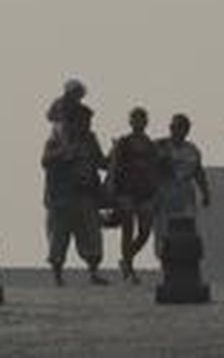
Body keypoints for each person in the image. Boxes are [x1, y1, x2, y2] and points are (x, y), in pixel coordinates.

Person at [42, 102, 109, 286]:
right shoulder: (57, 139)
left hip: (85, 195)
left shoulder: (89, 140)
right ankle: (57, 275)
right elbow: (46, 160)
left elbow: (101, 162)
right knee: (58, 237)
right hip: (61, 197)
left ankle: (93, 273)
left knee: (92, 236)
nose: (87, 125)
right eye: (84, 121)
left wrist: (115, 155)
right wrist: (65, 153)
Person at [107, 106, 161, 282]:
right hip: (126, 192)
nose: (138, 122)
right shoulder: (124, 142)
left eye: (141, 119)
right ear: (130, 121)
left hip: (145, 193)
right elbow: (114, 166)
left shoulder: (150, 145)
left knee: (145, 232)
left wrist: (155, 191)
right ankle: (129, 270)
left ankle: (126, 260)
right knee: (127, 229)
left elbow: (155, 168)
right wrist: (113, 190)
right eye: (135, 119)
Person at [153, 113, 211, 253]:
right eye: (176, 127)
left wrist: (205, 192)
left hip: (185, 195)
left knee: (186, 228)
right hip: (164, 195)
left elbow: (198, 172)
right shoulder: (159, 146)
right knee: (163, 232)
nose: (179, 130)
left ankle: (184, 257)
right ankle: (165, 258)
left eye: (183, 128)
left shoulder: (192, 150)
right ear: (171, 128)